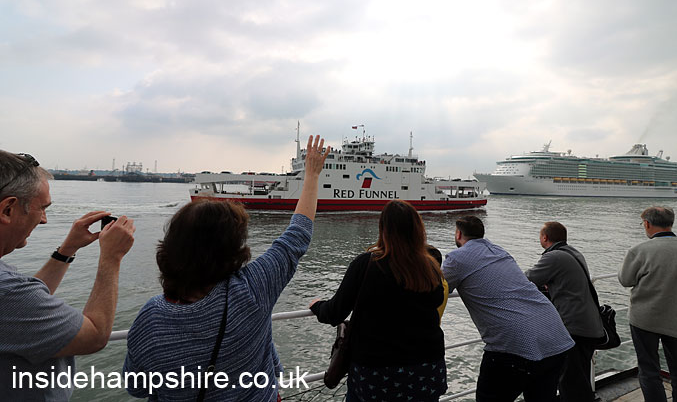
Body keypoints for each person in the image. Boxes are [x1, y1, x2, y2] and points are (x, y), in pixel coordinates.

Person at [123, 135, 329, 401]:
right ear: (234, 249)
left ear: (171, 246)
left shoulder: (150, 318)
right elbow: (297, 235)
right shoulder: (253, 289)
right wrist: (312, 175)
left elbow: (137, 387)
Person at [0, 150, 136, 401]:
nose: (44, 220)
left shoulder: (11, 291)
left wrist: (66, 250)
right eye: (42, 208)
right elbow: (94, 335)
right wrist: (111, 258)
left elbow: (27, 305)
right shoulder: (8, 292)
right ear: (7, 209)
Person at [309, 200, 448, 402]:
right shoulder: (430, 267)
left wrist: (317, 306)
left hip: (376, 374)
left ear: (383, 229)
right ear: (418, 230)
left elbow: (335, 313)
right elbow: (435, 300)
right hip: (427, 371)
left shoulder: (367, 264)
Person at [442, 215, 574, 402]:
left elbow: (436, 289)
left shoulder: (457, 259)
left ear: (458, 234)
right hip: (555, 336)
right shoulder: (499, 251)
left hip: (515, 345)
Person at [619, 206, 677, 402]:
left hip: (645, 318)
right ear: (671, 222)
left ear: (647, 224)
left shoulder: (639, 251)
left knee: (648, 369)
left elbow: (625, 280)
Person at [525, 221, 604, 402]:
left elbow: (526, 279)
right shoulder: (574, 252)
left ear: (545, 237)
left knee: (570, 381)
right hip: (589, 324)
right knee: (580, 378)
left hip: (573, 327)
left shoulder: (554, 257)